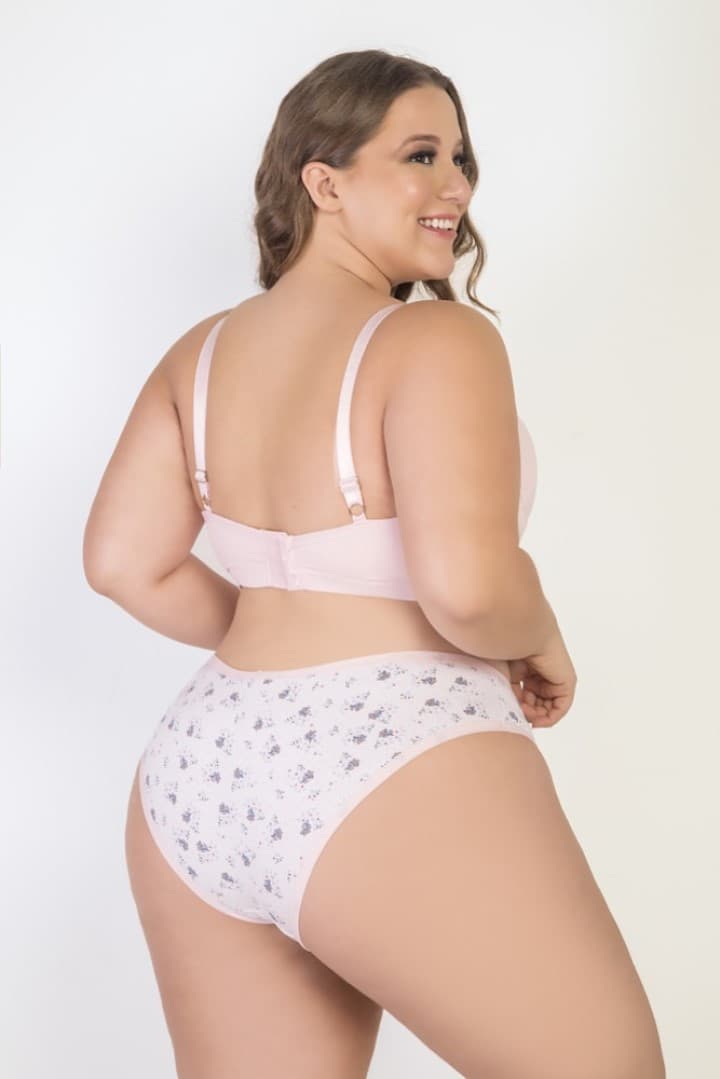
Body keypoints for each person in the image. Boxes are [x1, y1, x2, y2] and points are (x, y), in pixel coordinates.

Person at [83, 48, 665, 1079]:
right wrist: (542, 635)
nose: (456, 187)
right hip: (391, 745)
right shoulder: (437, 342)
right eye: (420, 155)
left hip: (201, 771)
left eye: (461, 158)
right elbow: (469, 588)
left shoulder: (201, 353)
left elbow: (124, 562)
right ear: (325, 181)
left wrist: (279, 633)